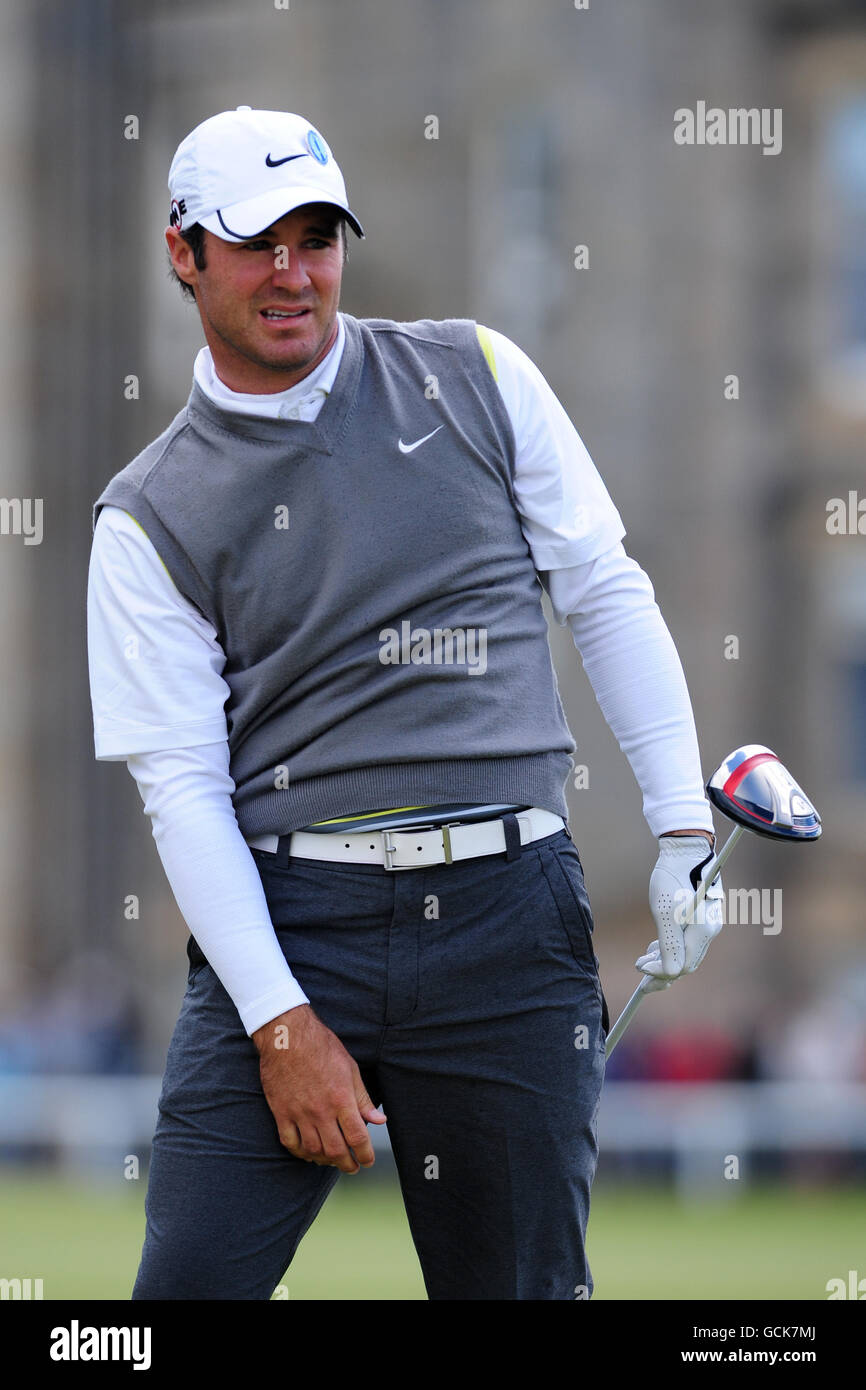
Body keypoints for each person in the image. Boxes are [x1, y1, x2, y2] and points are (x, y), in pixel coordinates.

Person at [86, 106, 723, 1301]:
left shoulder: (477, 375)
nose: (294, 274)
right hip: (287, 920)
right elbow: (183, 791)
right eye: (257, 242)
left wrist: (679, 822)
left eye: (317, 237)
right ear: (183, 253)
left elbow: (603, 588)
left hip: (506, 911)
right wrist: (281, 1025)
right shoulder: (145, 516)